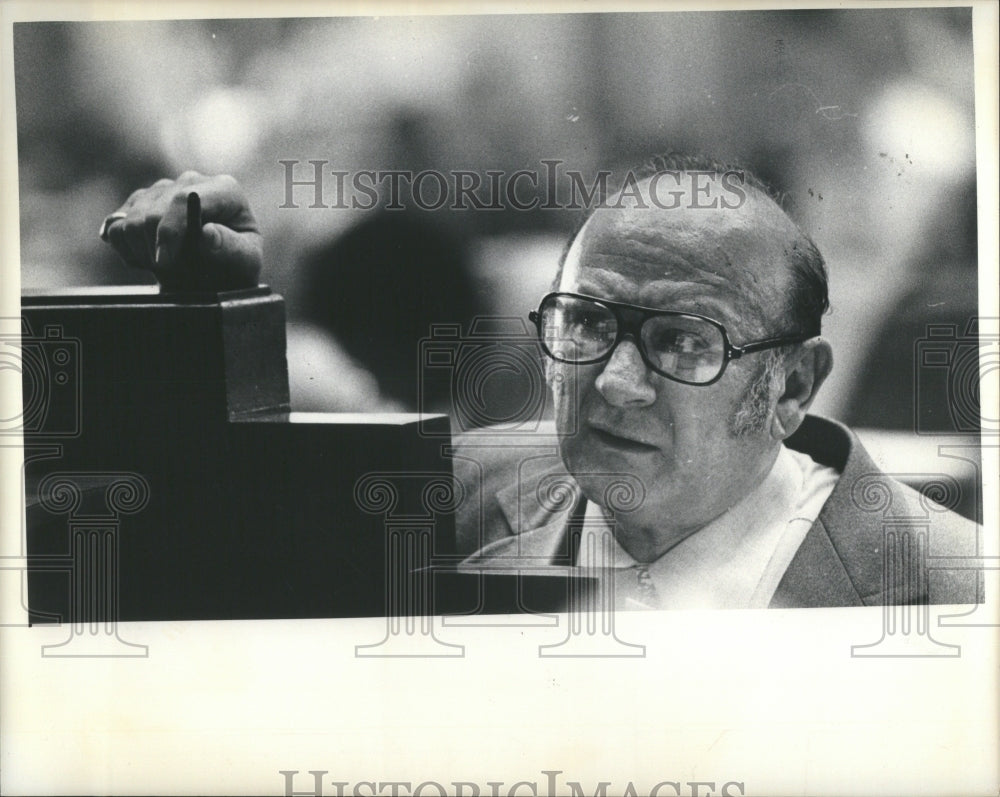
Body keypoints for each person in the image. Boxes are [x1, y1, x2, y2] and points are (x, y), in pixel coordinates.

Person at [100, 156, 981, 610]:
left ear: (792, 386)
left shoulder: (955, 587)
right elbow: (185, 531)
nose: (617, 385)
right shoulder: (461, 493)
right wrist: (223, 306)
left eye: (682, 341)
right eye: (589, 324)